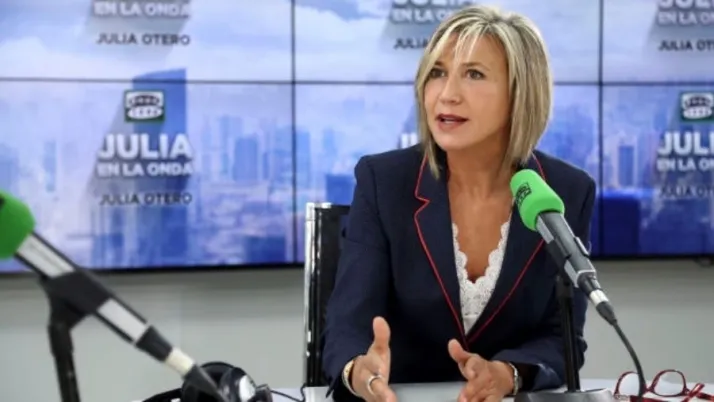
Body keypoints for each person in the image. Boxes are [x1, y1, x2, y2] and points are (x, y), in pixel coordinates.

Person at [321, 4, 596, 402]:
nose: (447, 94)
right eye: (437, 73)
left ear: (520, 93)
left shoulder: (566, 191)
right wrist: (357, 370)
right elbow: (347, 325)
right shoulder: (384, 181)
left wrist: (508, 373)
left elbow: (562, 338)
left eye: (474, 74)